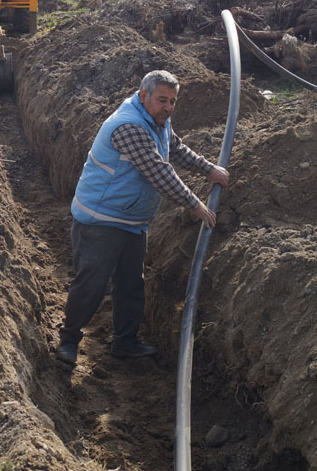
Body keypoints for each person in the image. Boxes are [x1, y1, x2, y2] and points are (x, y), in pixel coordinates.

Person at [58, 69, 229, 367]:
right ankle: (69, 339)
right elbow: (159, 172)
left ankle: (125, 342)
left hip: (133, 220)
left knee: (131, 284)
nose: (169, 107)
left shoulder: (157, 119)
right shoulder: (129, 127)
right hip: (101, 219)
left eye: (173, 101)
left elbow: (174, 148)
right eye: (163, 100)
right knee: (92, 283)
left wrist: (208, 169)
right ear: (143, 96)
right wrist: (195, 205)